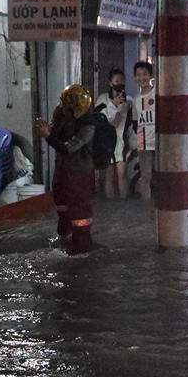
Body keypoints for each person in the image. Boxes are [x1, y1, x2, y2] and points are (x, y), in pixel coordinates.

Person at [35, 84, 97, 253]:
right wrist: (50, 131)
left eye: (66, 106)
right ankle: (65, 241)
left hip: (79, 173)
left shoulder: (88, 126)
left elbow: (66, 148)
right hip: (63, 169)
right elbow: (58, 138)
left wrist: (47, 136)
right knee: (61, 205)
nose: (62, 108)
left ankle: (82, 248)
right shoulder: (61, 114)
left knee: (80, 213)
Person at [92, 70, 131, 199]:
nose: (120, 84)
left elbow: (132, 123)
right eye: (116, 81)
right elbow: (99, 118)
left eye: (122, 81)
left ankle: (124, 203)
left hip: (122, 141)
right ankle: (110, 203)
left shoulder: (129, 101)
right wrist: (113, 104)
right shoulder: (103, 99)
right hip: (107, 141)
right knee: (109, 174)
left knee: (122, 173)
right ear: (110, 83)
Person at [129, 60, 157, 200]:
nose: (142, 78)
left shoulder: (158, 94)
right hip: (144, 143)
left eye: (145, 74)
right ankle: (146, 206)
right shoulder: (136, 100)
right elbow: (136, 123)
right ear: (134, 78)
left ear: (151, 75)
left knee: (161, 175)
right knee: (145, 175)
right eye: (138, 75)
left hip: (160, 141)